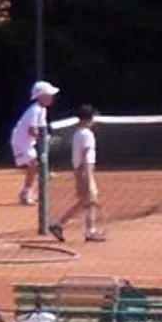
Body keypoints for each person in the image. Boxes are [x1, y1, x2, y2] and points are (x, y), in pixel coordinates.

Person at [52, 103, 107, 243]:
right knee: (89, 200)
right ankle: (66, 225)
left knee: (86, 202)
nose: (94, 120)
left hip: (80, 171)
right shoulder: (87, 134)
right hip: (85, 171)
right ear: (87, 119)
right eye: (92, 118)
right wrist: (88, 177)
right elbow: (86, 156)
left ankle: (63, 225)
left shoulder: (78, 134)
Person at [10, 81, 58, 206]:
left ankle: (30, 192)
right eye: (49, 94)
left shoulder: (42, 110)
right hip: (20, 142)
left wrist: (45, 137)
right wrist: (45, 138)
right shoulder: (35, 110)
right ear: (41, 96)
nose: (51, 97)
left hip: (28, 143)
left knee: (37, 166)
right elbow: (32, 130)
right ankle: (26, 193)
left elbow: (39, 130)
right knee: (35, 165)